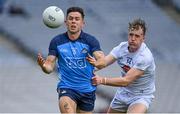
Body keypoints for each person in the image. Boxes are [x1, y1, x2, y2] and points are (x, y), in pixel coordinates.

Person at [37, 6, 105, 114]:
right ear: (65, 22)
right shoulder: (57, 41)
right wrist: (43, 66)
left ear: (83, 23)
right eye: (71, 18)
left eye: (77, 19)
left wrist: (97, 63)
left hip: (87, 91)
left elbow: (102, 59)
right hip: (67, 88)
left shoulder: (91, 41)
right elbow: (49, 66)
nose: (73, 21)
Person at [87, 18, 156, 113]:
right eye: (131, 35)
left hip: (140, 96)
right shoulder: (121, 48)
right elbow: (104, 63)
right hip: (123, 93)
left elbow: (125, 81)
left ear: (143, 38)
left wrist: (102, 80)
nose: (133, 38)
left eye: (137, 36)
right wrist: (92, 66)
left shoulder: (145, 57)